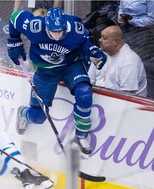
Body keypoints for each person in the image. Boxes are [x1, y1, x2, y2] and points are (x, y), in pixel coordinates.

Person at [7, 8, 107, 155]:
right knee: (37, 117)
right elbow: (14, 17)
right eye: (53, 32)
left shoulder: (74, 28)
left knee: (85, 94)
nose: (57, 36)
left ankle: (81, 136)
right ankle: (23, 113)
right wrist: (14, 41)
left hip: (71, 66)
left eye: (60, 32)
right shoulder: (34, 26)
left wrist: (92, 51)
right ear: (46, 26)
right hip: (45, 72)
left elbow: (84, 42)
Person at [88, 25, 147, 97]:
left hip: (123, 103)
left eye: (104, 38)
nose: (99, 40)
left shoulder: (129, 61)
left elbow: (126, 96)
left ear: (115, 42)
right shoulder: (99, 54)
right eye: (100, 37)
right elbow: (90, 80)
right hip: (100, 100)